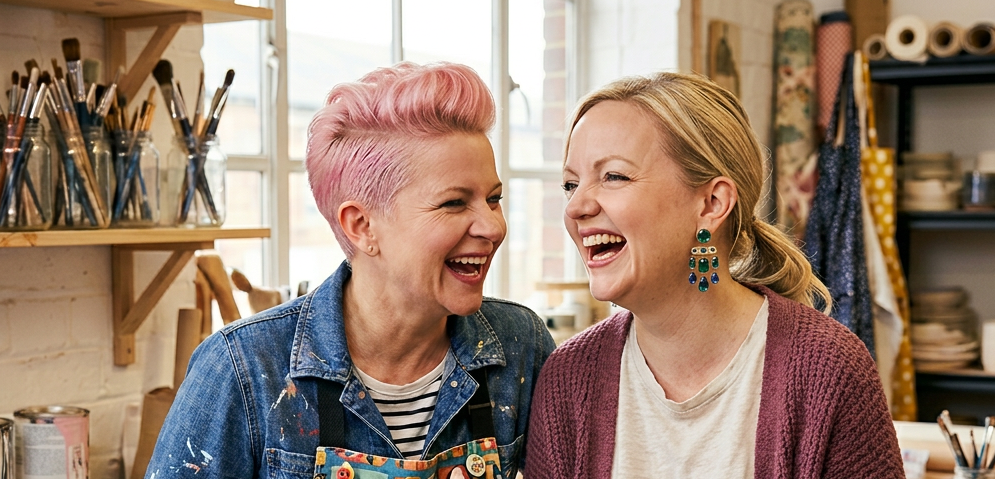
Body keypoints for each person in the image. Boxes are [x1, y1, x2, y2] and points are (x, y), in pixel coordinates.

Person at [146, 62, 555, 479]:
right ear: (361, 226)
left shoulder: (520, 348)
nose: (493, 226)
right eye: (454, 203)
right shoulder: (244, 370)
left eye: (494, 198)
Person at [524, 72, 903, 478]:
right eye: (570, 184)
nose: (576, 206)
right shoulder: (568, 378)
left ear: (711, 202)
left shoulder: (829, 370)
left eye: (614, 176)